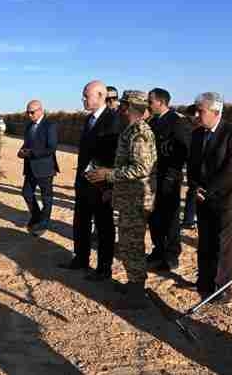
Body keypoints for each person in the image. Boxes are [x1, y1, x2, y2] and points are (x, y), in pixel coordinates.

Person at [86, 91, 157, 308]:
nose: (118, 107)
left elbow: (141, 167)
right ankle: (134, 285)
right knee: (127, 245)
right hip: (129, 198)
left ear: (128, 107)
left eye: (121, 104)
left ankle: (136, 296)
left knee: (132, 246)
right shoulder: (133, 129)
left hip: (136, 200)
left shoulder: (139, 132)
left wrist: (108, 174)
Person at [187, 92, 232, 303]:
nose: (196, 114)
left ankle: (221, 289)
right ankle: (204, 282)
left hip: (227, 198)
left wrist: (208, 190)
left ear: (215, 112)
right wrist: (195, 188)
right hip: (203, 197)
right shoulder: (196, 134)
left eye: (200, 111)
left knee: (223, 245)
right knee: (206, 241)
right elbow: (192, 165)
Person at [59, 80, 120, 279]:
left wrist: (109, 185)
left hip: (102, 184)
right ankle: (81, 258)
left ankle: (104, 268)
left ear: (101, 96)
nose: (83, 99)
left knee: (103, 226)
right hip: (84, 182)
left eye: (87, 95)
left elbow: (114, 156)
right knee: (81, 222)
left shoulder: (113, 120)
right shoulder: (89, 120)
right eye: (84, 95)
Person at [146, 88, 191, 271]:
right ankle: (159, 248)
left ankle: (171, 255)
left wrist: (171, 167)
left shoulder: (176, 122)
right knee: (153, 216)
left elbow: (184, 149)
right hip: (152, 177)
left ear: (161, 102)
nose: (148, 105)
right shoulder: (152, 121)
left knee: (170, 217)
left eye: (150, 101)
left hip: (169, 177)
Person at [18, 100, 59, 236]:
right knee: (26, 193)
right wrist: (22, 151)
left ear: (41, 110)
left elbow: (51, 147)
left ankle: (44, 223)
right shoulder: (29, 126)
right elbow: (27, 143)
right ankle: (36, 216)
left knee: (46, 197)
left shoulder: (50, 125)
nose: (29, 115)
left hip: (45, 168)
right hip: (30, 167)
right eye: (27, 112)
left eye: (32, 112)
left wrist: (32, 153)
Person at [182, 104, 200, 229]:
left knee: (194, 191)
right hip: (194, 164)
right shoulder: (187, 126)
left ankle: (190, 219)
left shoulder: (194, 126)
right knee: (193, 191)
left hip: (196, 164)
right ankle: (189, 219)